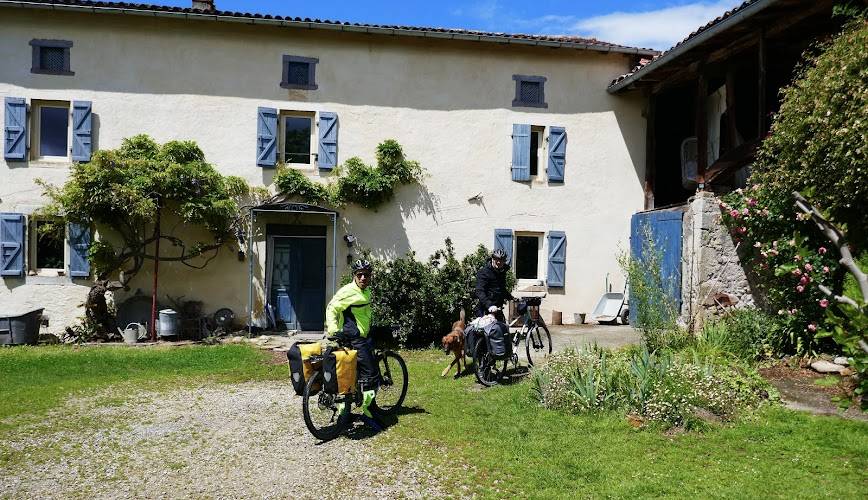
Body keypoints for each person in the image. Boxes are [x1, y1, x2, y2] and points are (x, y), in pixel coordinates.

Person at [325, 259, 382, 430]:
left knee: (351, 374)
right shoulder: (348, 291)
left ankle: (346, 411)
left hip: (362, 335)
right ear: (354, 276)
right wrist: (334, 330)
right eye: (360, 275)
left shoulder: (366, 291)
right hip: (354, 337)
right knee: (372, 375)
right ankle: (367, 412)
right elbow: (332, 307)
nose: (363, 277)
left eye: (366, 275)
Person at [475, 248, 515, 320]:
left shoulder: (501, 272)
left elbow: (500, 288)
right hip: (485, 310)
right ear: (492, 259)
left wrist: (511, 298)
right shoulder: (484, 272)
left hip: (497, 309)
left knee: (503, 329)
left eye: (501, 260)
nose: (499, 262)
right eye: (496, 259)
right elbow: (479, 291)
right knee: (490, 330)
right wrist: (489, 305)